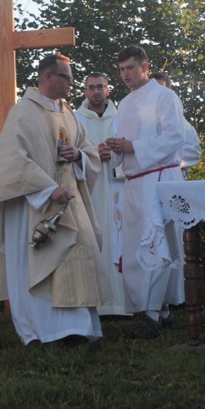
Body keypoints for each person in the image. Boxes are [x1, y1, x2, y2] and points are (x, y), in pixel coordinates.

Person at [0, 54, 109, 347]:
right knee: (42, 262)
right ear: (47, 77)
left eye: (73, 79)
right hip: (34, 205)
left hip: (70, 201)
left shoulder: (70, 114)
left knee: (75, 256)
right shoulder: (23, 113)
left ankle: (77, 329)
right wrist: (47, 189)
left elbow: (89, 151)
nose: (72, 84)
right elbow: (13, 161)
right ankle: (44, 332)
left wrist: (80, 156)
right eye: (67, 78)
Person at [107, 45, 186, 338]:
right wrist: (113, 149)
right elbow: (122, 141)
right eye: (121, 69)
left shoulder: (165, 96)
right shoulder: (125, 104)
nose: (125, 74)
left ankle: (153, 312)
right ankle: (154, 310)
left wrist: (133, 147)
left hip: (159, 178)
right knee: (136, 245)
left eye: (130, 68)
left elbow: (174, 136)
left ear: (144, 66)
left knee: (158, 243)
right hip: (135, 181)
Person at [75, 72, 128, 317]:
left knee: (121, 240)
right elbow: (66, 152)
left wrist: (115, 157)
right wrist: (92, 155)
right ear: (85, 92)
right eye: (91, 87)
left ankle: (123, 303)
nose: (96, 91)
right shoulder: (75, 119)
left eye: (101, 87)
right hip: (89, 189)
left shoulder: (123, 117)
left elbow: (135, 151)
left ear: (108, 90)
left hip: (118, 189)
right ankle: (94, 304)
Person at [149, 71, 202, 179]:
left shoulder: (182, 124)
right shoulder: (137, 119)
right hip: (144, 179)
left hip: (171, 178)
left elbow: (194, 152)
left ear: (168, 92)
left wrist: (164, 157)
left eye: (160, 90)